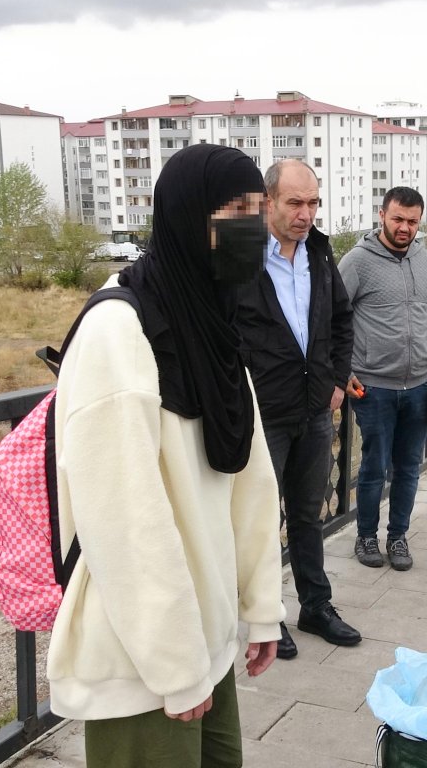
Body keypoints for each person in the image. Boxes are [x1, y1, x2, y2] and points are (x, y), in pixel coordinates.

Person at [48, 144, 285, 768]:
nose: (252, 227)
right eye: (234, 210)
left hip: (204, 638)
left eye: (258, 209)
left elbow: (250, 478)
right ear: (187, 215)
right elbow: (124, 521)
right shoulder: (119, 332)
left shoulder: (209, 318)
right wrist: (175, 665)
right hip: (142, 659)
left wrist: (260, 609)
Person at [237, 159, 360, 657]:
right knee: (262, 517)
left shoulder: (320, 252)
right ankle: (268, 617)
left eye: (312, 203)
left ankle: (315, 606)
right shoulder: (241, 257)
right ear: (267, 202)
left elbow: (342, 319)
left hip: (313, 408)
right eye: (294, 203)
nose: (306, 214)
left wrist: (333, 378)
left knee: (308, 513)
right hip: (262, 413)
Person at [338, 187, 427, 570]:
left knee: (408, 468)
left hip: (422, 385)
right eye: (398, 219)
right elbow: (332, 320)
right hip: (373, 387)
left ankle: (398, 537)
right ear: (382, 215)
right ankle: (365, 538)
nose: (405, 228)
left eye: (412, 221)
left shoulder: (426, 262)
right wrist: (343, 372)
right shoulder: (356, 262)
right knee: (373, 468)